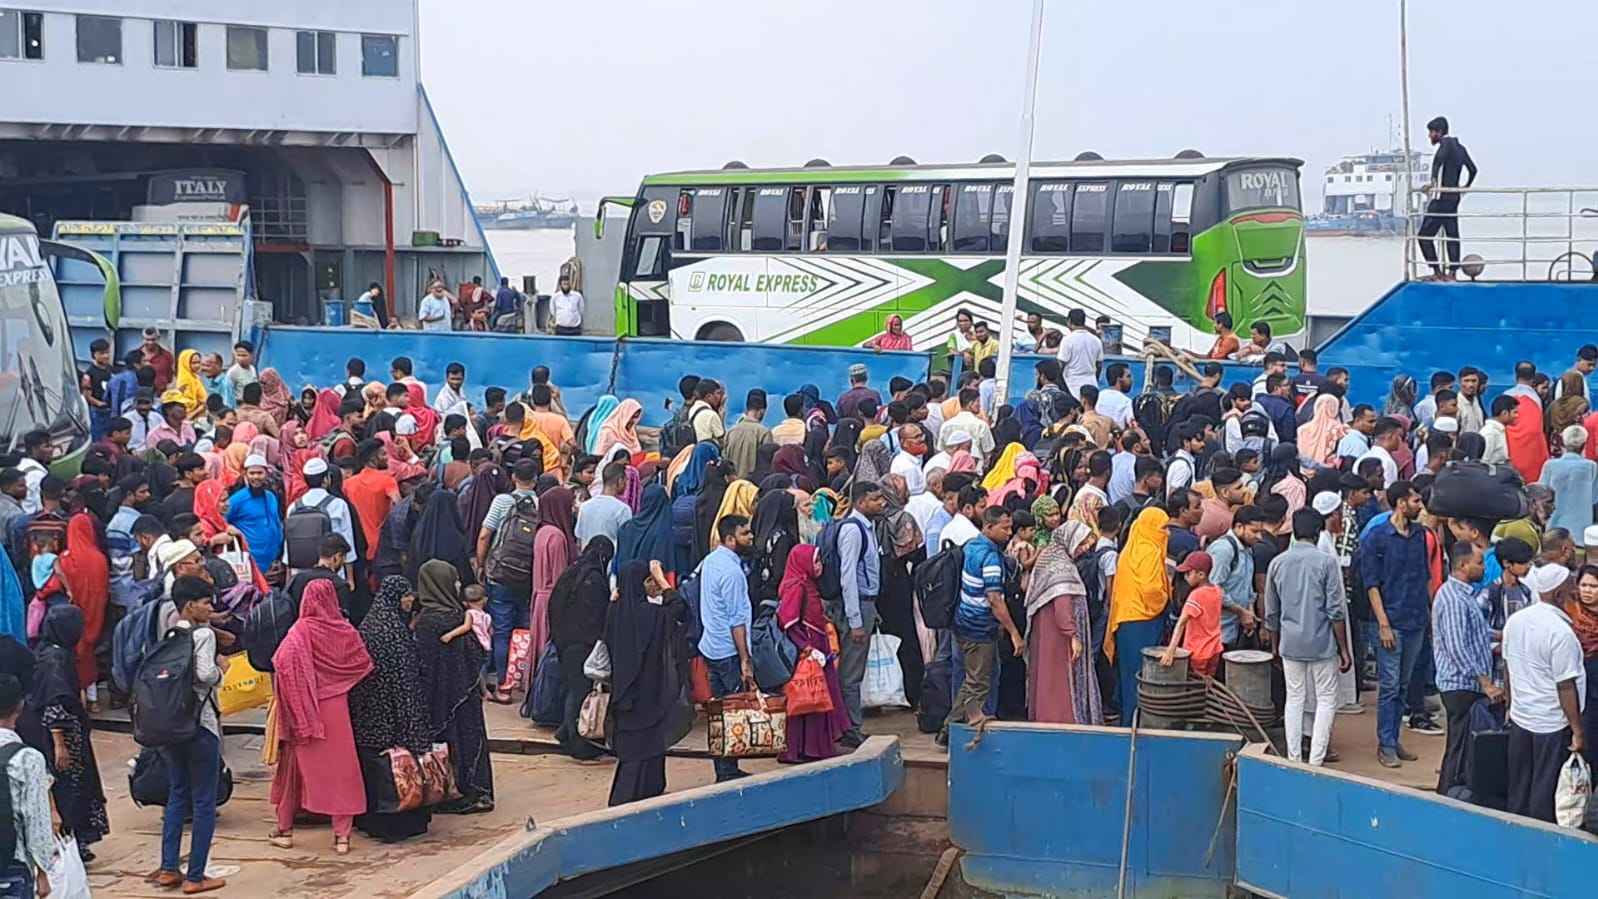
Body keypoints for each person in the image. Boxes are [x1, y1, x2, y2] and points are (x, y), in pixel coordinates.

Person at [268, 579, 371, 855]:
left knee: (292, 770)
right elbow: (362, 663)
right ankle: (342, 837)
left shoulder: (299, 631)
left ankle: (285, 830)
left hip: (303, 710)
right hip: (337, 708)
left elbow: (281, 663)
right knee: (342, 770)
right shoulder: (345, 630)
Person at [152, 576, 226, 893]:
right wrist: (222, 670)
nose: (211, 608)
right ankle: (196, 875)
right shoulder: (204, 635)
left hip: (171, 727)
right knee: (204, 801)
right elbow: (205, 674)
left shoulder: (170, 633)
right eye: (206, 602)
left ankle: (169, 867)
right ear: (190, 605)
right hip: (200, 726)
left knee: (177, 794)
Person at [1262, 510, 1351, 766]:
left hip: (1290, 642)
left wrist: (1275, 644)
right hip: (1322, 642)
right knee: (1326, 699)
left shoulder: (1278, 562)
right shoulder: (1326, 563)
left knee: (1295, 698)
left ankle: (1294, 758)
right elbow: (1335, 610)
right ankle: (1316, 759)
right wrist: (1343, 649)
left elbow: (1271, 610)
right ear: (1318, 532)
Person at [1503, 564, 1586, 823]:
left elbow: (1507, 667)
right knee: (1544, 790)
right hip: (1551, 724)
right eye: (1572, 592)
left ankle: (1514, 830)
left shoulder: (1516, 621)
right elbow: (1565, 686)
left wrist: (1510, 705)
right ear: (1559, 595)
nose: (1576, 596)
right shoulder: (1561, 633)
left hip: (1521, 717)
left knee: (1519, 786)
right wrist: (1577, 730)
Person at [1361, 481, 1432, 769]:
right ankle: (1386, 744)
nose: (1420, 506)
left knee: (1402, 685)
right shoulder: (1377, 538)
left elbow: (1424, 577)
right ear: (1401, 503)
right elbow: (1372, 584)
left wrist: (1429, 614)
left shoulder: (1419, 535)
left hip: (1415, 619)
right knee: (1390, 686)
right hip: (1391, 621)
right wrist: (1383, 624)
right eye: (1415, 501)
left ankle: (1393, 738)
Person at [607, 560, 691, 805]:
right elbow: (679, 608)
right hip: (649, 692)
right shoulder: (651, 615)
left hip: (623, 693)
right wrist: (664, 581)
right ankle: (630, 799)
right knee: (644, 747)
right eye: (648, 580)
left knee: (634, 749)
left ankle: (642, 793)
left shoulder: (614, 613)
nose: (652, 584)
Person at [413, 560, 494, 813]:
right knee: (469, 741)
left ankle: (445, 791)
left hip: (437, 696)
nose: (458, 585)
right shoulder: (459, 617)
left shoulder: (426, 621)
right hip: (464, 694)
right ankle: (476, 792)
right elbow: (477, 654)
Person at [30, 605, 109, 858]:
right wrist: (60, 744)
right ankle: (71, 842)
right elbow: (54, 702)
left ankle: (76, 840)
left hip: (70, 733)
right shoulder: (55, 660)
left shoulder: (53, 653)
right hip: (64, 737)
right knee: (70, 788)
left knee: (75, 787)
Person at [1431, 542, 1503, 795]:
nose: (1483, 568)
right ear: (1463, 565)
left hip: (1466, 684)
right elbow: (1457, 647)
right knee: (1459, 747)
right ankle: (1447, 796)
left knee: (1461, 746)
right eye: (1479, 562)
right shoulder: (1453, 599)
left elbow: (1476, 631)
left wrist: (1502, 635)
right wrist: (1485, 682)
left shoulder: (1464, 595)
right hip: (1461, 686)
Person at [944, 506, 1021, 739]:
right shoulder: (990, 557)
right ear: (988, 527)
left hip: (962, 622)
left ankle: (953, 728)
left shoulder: (971, 546)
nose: (1009, 532)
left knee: (972, 678)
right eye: (1004, 528)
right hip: (979, 626)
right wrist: (1014, 633)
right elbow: (994, 598)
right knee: (978, 682)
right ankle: (951, 730)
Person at [776, 542, 853, 763]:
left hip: (817, 647)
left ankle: (814, 747)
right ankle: (803, 749)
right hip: (808, 650)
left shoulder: (807, 584)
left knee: (815, 698)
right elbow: (788, 621)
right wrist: (806, 647)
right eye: (815, 561)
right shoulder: (796, 586)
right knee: (807, 698)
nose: (819, 566)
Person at [1025, 521, 1101, 725]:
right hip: (1058, 634)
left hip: (1046, 629)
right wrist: (1072, 635)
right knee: (1059, 677)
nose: (1084, 548)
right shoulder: (1063, 567)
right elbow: (1062, 604)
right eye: (1081, 543)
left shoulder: (1050, 557)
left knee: (1047, 675)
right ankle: (1062, 719)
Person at [546, 537, 615, 761]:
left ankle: (566, 731)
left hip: (564, 641)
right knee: (579, 692)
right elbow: (598, 616)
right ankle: (577, 742)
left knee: (572, 688)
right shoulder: (594, 580)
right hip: (583, 644)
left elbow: (554, 605)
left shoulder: (570, 572)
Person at [699, 515, 756, 781]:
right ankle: (727, 769)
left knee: (719, 713)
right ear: (731, 539)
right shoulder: (732, 572)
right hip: (728, 651)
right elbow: (737, 620)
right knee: (733, 712)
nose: (751, 537)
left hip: (711, 646)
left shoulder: (711, 561)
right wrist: (745, 659)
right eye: (745, 533)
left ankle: (724, 768)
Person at [833, 481, 885, 749]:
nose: (881, 503)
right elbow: (848, 577)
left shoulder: (867, 528)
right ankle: (850, 727)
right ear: (861, 502)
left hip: (866, 604)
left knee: (854, 670)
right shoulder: (853, 531)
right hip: (857, 606)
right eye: (876, 499)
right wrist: (855, 621)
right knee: (851, 674)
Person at [0, 673, 53, 898]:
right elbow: (36, 818)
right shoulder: (27, 758)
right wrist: (43, 872)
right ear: (20, 707)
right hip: (12, 862)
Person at [1417, 115, 1478, 280]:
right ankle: (1452, 273)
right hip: (1453, 197)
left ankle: (1437, 271)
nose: (1429, 136)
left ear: (1439, 132)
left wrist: (1432, 183)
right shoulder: (1460, 148)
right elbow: (1473, 170)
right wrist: (1464, 187)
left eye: (1431, 132)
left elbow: (1437, 163)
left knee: (1423, 236)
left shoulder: (1445, 144)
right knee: (1452, 235)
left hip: (1440, 198)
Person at [1541, 426, 1597, 544]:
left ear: (1563, 443)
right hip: (1581, 533)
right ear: (1584, 444)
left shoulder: (1550, 465)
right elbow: (1594, 498)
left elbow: (1540, 495)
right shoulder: (1591, 466)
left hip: (1553, 531)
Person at [724, 390, 773, 480]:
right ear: (762, 411)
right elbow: (767, 464)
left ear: (747, 409)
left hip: (732, 485)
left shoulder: (730, 432)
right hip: (752, 486)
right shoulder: (764, 433)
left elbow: (724, 459)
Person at [1057, 309, 1102, 398]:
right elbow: (1099, 365)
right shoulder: (1096, 340)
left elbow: (1060, 365)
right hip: (1092, 384)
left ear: (1069, 321)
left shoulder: (1067, 340)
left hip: (1071, 386)